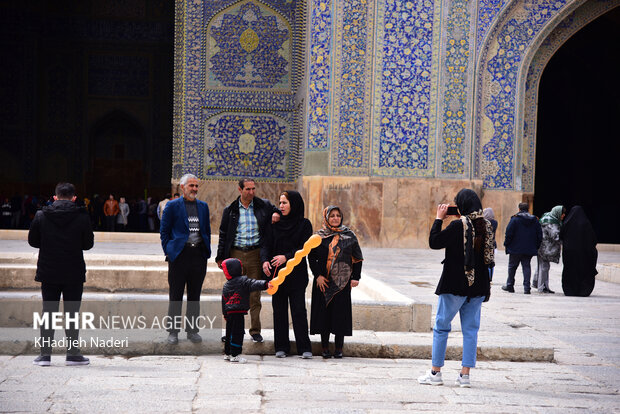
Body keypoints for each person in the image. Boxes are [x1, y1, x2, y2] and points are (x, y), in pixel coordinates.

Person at [418, 189, 494, 388]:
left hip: (455, 284)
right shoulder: (487, 225)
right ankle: (465, 375)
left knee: (442, 327)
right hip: (478, 286)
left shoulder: (457, 226)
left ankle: (435, 373)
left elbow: (434, 242)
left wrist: (438, 219)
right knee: (470, 331)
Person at [28, 182, 94, 366]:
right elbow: (88, 244)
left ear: (55, 197)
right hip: (73, 272)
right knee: (72, 313)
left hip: (49, 271)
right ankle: (72, 354)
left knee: (48, 312)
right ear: (74, 198)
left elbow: (33, 241)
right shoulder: (82, 216)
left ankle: (45, 355)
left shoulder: (42, 215)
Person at [216, 178, 279, 343]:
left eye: (253, 189)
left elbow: (277, 210)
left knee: (254, 294)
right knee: (234, 294)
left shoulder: (262, 205)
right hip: (235, 255)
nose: (251, 192)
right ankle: (232, 330)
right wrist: (220, 257)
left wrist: (275, 214)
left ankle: (255, 331)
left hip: (255, 254)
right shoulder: (230, 210)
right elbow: (223, 234)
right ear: (239, 189)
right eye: (248, 189)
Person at [160, 173, 211, 344]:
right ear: (182, 187)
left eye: (196, 186)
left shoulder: (203, 206)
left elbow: (206, 231)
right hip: (179, 257)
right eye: (191, 186)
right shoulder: (172, 206)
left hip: (198, 256)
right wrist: (169, 251)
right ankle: (173, 332)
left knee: (194, 295)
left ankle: (192, 331)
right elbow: (164, 232)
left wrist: (206, 251)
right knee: (176, 295)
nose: (194, 189)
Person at [261, 190, 313, 359]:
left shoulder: (304, 225)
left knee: (299, 310)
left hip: (296, 275)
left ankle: (304, 347)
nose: (281, 206)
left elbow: (304, 248)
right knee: (279, 311)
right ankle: (281, 347)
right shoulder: (274, 223)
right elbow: (266, 245)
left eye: (284, 203)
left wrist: (287, 257)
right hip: (277, 275)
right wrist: (265, 261)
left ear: (294, 204)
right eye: (280, 203)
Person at [309, 206, 363, 359]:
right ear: (326, 218)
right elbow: (311, 258)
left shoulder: (349, 236)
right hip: (323, 282)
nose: (335, 218)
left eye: (338, 215)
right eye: (331, 215)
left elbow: (357, 258)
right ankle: (324, 348)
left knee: (340, 314)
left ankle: (339, 348)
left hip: (342, 282)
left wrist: (355, 277)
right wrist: (318, 275)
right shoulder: (318, 237)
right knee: (324, 314)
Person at [221, 258, 272, 364]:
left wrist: (225, 314)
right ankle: (235, 355)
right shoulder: (243, 281)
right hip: (238, 313)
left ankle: (228, 353)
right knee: (238, 334)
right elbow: (254, 283)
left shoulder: (226, 285)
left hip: (229, 313)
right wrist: (266, 284)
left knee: (229, 333)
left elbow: (224, 301)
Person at [501, 202, 542, 294]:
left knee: (512, 267)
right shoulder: (535, 220)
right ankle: (527, 288)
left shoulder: (515, 219)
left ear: (519, 209)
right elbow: (539, 234)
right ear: (528, 209)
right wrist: (536, 245)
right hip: (528, 248)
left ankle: (510, 285)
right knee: (526, 266)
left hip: (515, 248)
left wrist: (506, 243)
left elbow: (509, 233)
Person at [560, 206, 597, 297]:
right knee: (583, 270)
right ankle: (583, 290)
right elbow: (593, 239)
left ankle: (570, 290)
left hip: (569, 253)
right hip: (584, 253)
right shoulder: (586, 223)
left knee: (570, 270)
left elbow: (561, 236)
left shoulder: (567, 223)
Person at [533, 205, 565, 294]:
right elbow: (555, 236)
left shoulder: (546, 217)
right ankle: (541, 287)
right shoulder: (551, 221)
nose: (563, 216)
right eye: (562, 214)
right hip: (546, 248)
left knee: (542, 266)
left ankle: (541, 285)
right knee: (544, 267)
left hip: (541, 247)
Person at [483, 207, 498, 281]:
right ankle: (490, 278)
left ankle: (487, 277)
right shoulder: (495, 222)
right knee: (491, 261)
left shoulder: (484, 222)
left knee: (486, 261)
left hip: (486, 243)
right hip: (492, 243)